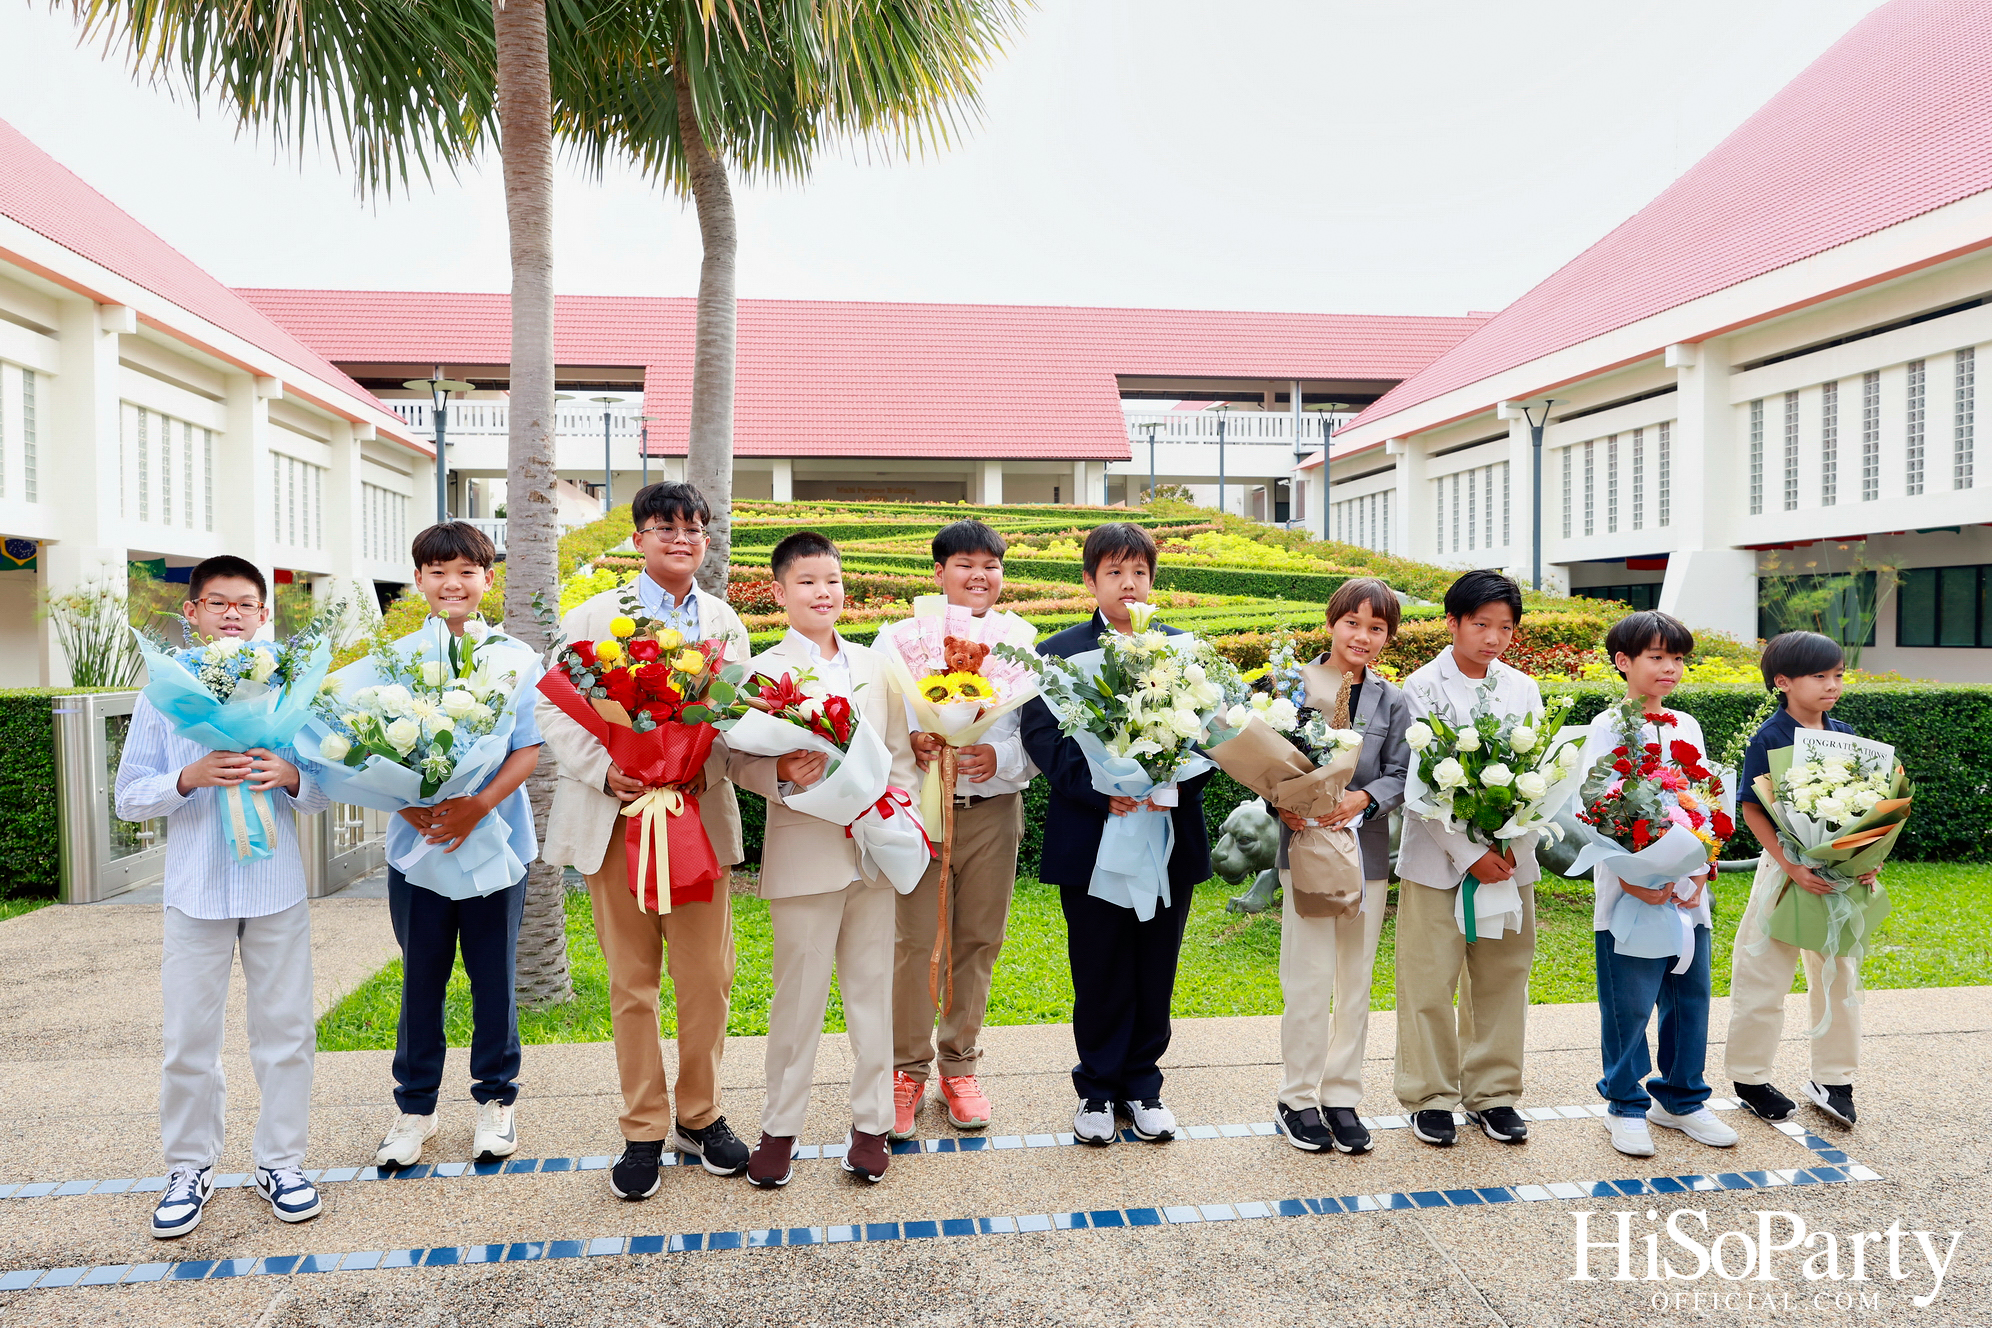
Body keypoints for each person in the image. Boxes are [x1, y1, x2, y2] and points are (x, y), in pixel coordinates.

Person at [536, 482, 753, 1199]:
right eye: (665, 527)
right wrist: (608, 773)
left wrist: (691, 765)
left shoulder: (725, 625)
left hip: (692, 817)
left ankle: (701, 1113)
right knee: (632, 985)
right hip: (618, 822)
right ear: (638, 538)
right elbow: (559, 708)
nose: (681, 538)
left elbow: (736, 720)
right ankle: (642, 1129)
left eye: (694, 527)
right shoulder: (593, 617)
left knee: (706, 982)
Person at [114, 555, 329, 1237]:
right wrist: (189, 776)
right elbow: (127, 797)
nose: (231, 613)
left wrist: (291, 773)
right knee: (188, 1039)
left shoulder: (291, 688)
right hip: (194, 892)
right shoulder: (162, 695)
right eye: (217, 603)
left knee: (287, 1031)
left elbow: (327, 791)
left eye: (244, 603)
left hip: (276, 889)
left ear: (265, 615)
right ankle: (188, 1168)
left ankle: (282, 1162)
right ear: (193, 614)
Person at [729, 532, 921, 1187]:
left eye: (832, 580)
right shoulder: (762, 670)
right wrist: (780, 769)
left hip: (871, 853)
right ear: (779, 592)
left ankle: (872, 1128)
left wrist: (897, 816)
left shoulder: (876, 667)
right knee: (797, 1002)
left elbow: (896, 755)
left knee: (873, 996)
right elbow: (732, 759)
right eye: (808, 581)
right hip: (804, 853)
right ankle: (779, 1130)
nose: (824, 592)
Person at [1020, 522, 1211, 1147]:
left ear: (1154, 580)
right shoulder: (1060, 653)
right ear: (1089, 580)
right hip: (1094, 837)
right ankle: (1097, 1090)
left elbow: (1215, 735)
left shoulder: (1182, 650)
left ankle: (1144, 1086)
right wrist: (1103, 788)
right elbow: (1043, 739)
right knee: (1099, 965)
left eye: (1140, 573)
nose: (1128, 585)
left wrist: (1172, 781)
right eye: (1114, 573)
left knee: (1157, 964)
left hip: (1168, 834)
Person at [371, 522, 544, 1171]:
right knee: (421, 981)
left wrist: (477, 804)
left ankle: (496, 1101)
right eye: (438, 571)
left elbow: (528, 746)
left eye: (466, 571)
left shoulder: (516, 658)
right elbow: (370, 748)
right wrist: (408, 803)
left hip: (497, 839)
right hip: (418, 849)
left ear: (487, 580)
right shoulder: (393, 663)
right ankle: (415, 1109)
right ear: (418, 580)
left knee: (493, 978)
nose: (453, 583)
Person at [893, 519, 1038, 1138]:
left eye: (992, 565)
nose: (980, 576)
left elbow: (1040, 737)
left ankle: (960, 1064)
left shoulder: (1022, 641)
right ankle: (904, 1069)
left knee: (978, 938)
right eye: (965, 564)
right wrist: (915, 740)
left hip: (993, 812)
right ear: (939, 573)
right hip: (921, 813)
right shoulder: (900, 642)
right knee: (916, 943)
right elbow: (878, 723)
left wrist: (998, 758)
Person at [1578, 611, 1738, 1158]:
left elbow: (1704, 799)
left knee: (1689, 996)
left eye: (1677, 658)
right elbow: (1591, 810)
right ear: (1623, 662)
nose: (1670, 668)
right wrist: (1633, 875)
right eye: (1656, 657)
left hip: (1689, 891)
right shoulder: (1605, 726)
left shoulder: (1686, 724)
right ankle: (1624, 1104)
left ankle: (1682, 1099)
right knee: (1630, 1001)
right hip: (1629, 891)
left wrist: (1699, 869)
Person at [1393, 569, 1542, 1148]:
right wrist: (1468, 854)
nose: (1493, 638)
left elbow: (1539, 776)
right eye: (1481, 624)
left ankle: (1494, 1094)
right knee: (1429, 979)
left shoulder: (1522, 688)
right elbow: (1420, 789)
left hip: (1509, 861)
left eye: (1505, 627)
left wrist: (1507, 846)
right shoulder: (1421, 687)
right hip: (1437, 863)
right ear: (1452, 622)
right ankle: (1429, 1095)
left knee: (1503, 978)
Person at [1269, 577, 1411, 1156]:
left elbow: (1402, 772)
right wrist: (1284, 801)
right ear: (1332, 623)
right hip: (1302, 852)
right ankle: (1297, 1098)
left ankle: (1342, 1094)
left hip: (1366, 857)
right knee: (1307, 977)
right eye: (1353, 622)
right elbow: (1261, 759)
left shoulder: (1393, 701)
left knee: (1355, 980)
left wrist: (1365, 798)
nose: (1363, 636)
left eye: (1377, 628)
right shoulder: (1292, 686)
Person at [1725, 631, 1875, 1129]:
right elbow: (1751, 807)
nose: (1832, 685)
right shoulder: (1769, 737)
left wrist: (1866, 859)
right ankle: (1750, 1078)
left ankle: (1835, 1079)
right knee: (1763, 972)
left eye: (1838, 675)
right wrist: (1790, 865)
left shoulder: (1848, 734)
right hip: (1784, 873)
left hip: (1841, 877)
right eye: (1820, 676)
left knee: (1838, 975)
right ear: (1783, 682)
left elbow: (1869, 809)